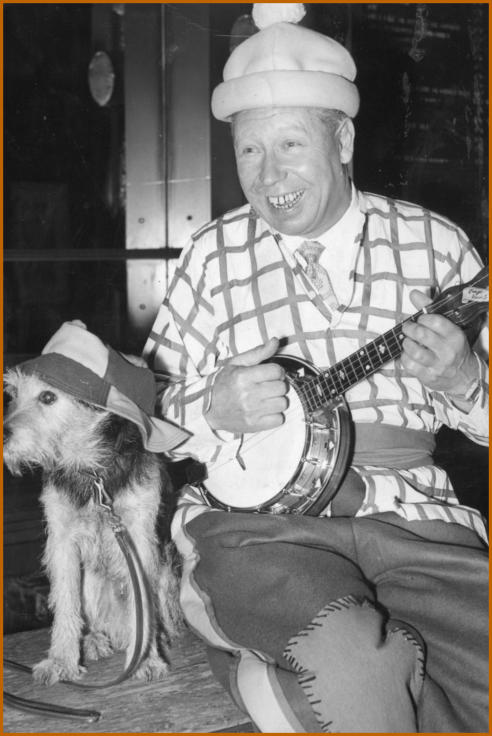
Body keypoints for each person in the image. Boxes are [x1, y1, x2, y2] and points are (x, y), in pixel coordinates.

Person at [143, 4, 488, 732]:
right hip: (259, 529)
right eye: (249, 150)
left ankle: (282, 691)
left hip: (414, 517)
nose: (268, 175)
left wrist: (465, 382)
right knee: (356, 663)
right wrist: (212, 410)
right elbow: (147, 419)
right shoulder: (210, 256)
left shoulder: (437, 246)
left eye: (290, 145)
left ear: (343, 140)